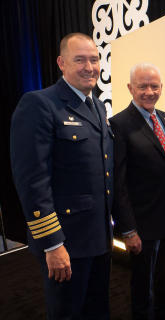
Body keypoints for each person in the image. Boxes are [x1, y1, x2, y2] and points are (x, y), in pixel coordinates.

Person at [10, 33, 113, 319]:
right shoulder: (39, 104)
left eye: (94, 59)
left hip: (98, 237)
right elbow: (32, 182)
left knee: (97, 310)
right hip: (66, 241)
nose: (89, 67)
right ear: (62, 63)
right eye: (79, 59)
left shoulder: (97, 105)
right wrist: (52, 244)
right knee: (67, 313)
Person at [110, 62, 165, 320]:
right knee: (142, 285)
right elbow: (118, 183)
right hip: (141, 226)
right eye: (142, 86)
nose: (149, 91)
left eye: (154, 86)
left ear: (162, 87)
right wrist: (128, 229)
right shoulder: (119, 125)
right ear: (131, 88)